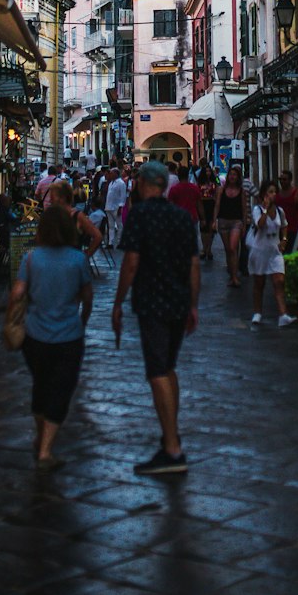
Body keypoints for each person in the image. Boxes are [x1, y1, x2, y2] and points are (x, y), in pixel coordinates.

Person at [112, 160, 200, 474]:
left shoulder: (140, 215)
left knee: (157, 371)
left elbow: (131, 261)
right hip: (178, 302)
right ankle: (170, 436)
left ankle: (173, 450)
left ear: (145, 184)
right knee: (169, 368)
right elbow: (193, 264)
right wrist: (193, 304)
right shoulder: (181, 217)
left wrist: (118, 301)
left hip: (152, 302)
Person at [8, 205, 93, 469]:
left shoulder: (31, 259)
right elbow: (87, 297)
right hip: (68, 336)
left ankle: (40, 436)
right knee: (62, 389)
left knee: (40, 385)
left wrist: (12, 318)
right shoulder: (77, 259)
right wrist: (83, 320)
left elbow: (17, 294)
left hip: (35, 335)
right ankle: (46, 449)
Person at [249, 180, 295, 327]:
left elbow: (284, 226)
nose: (273, 195)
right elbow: (260, 224)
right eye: (270, 192)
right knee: (259, 283)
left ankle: (283, 314)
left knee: (279, 281)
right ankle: (257, 312)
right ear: (264, 194)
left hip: (275, 250)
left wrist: (284, 239)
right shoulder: (257, 209)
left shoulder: (280, 211)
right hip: (260, 250)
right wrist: (265, 209)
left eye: (275, 192)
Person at [50, 179, 103, 262]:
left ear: (62, 198)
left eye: (53, 197)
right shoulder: (52, 215)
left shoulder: (77, 216)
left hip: (71, 264)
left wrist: (85, 256)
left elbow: (98, 236)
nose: (50, 200)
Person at [214, 164, 248, 288]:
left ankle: (234, 276)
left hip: (236, 222)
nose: (232, 177)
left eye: (235, 175)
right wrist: (214, 221)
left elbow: (244, 209)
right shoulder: (221, 190)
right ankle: (232, 274)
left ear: (238, 177)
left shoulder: (242, 191)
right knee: (228, 250)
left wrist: (244, 224)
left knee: (233, 248)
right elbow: (217, 205)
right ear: (228, 177)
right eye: (231, 174)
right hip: (223, 221)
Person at [168, 170, 202, 255]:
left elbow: (170, 205)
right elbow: (199, 204)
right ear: (187, 176)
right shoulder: (194, 188)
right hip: (192, 216)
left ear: (178, 176)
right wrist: (203, 218)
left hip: (178, 218)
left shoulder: (174, 189)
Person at [276, 170, 298, 254]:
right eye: (280, 179)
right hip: (279, 229)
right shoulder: (277, 193)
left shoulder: (296, 193)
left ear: (290, 180)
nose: (282, 181)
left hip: (293, 229)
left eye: (284, 179)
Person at [195, 165, 218, 261]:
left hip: (211, 204)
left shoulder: (215, 181)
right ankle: (205, 248)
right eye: (206, 171)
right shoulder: (199, 183)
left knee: (211, 227)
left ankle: (209, 249)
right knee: (203, 226)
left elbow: (218, 190)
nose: (208, 173)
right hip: (202, 204)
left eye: (209, 171)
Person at [104, 165, 128, 249]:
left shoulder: (121, 183)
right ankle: (110, 242)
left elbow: (123, 196)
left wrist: (120, 207)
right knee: (111, 226)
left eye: (111, 173)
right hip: (109, 207)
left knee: (119, 225)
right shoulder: (111, 183)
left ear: (116, 174)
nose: (110, 175)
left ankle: (119, 242)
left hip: (116, 207)